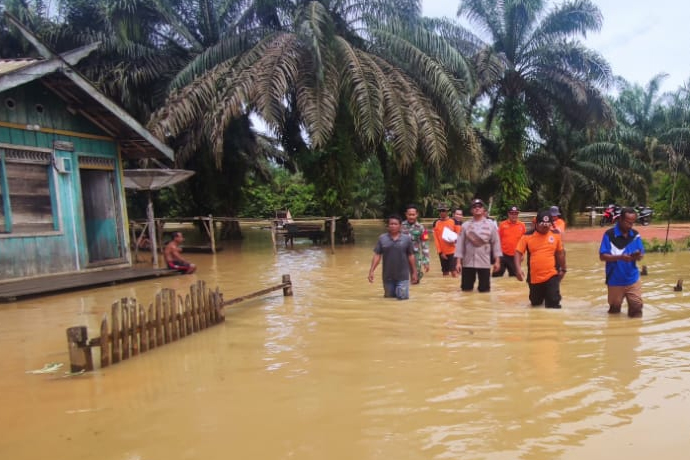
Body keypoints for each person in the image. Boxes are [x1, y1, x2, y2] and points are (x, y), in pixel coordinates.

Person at [514, 210, 567, 308]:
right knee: (536, 304)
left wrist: (563, 269)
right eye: (543, 225)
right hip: (534, 278)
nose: (545, 228)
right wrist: (518, 269)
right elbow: (518, 252)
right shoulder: (527, 236)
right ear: (536, 224)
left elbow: (560, 253)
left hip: (552, 275)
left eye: (548, 225)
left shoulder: (555, 235)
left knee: (553, 303)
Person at [599, 207, 645, 317]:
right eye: (627, 222)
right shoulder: (609, 235)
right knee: (614, 310)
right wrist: (620, 257)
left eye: (632, 223)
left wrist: (638, 256)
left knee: (637, 307)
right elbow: (602, 256)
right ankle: (614, 332)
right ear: (620, 219)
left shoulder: (635, 235)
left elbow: (641, 253)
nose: (630, 226)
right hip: (615, 280)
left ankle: (634, 332)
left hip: (632, 278)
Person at [454, 198, 502, 292]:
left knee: (484, 291)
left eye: (479, 206)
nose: (477, 208)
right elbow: (460, 245)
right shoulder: (465, 226)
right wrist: (458, 262)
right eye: (474, 207)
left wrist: (497, 261)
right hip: (468, 262)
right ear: (471, 210)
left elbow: (496, 243)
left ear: (483, 209)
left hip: (484, 262)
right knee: (466, 290)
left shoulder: (491, 225)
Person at [368, 215, 418, 299]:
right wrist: (371, 270)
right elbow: (377, 255)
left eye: (395, 224)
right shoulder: (382, 238)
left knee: (402, 300)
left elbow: (411, 256)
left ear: (400, 226)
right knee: (389, 299)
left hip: (403, 277)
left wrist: (414, 272)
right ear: (388, 225)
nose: (393, 226)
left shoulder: (406, 239)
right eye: (391, 224)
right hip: (388, 276)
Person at [494, 205, 526, 277]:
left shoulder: (522, 226)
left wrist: (523, 254)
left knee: (515, 277)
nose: (514, 215)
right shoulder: (502, 225)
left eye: (516, 213)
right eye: (512, 213)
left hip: (515, 256)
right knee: (496, 275)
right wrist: (497, 257)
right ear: (508, 214)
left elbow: (524, 242)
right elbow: (497, 240)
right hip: (503, 255)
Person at [401, 204, 430, 283]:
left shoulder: (421, 228)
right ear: (406, 214)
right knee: (402, 281)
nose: (411, 217)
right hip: (402, 257)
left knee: (415, 281)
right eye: (409, 214)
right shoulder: (400, 226)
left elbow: (425, 246)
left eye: (413, 215)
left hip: (415, 257)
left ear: (417, 214)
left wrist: (426, 262)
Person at [432, 204, 459, 277]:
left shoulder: (454, 221)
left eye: (443, 210)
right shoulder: (436, 223)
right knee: (445, 273)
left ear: (447, 212)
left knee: (454, 272)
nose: (442, 212)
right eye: (440, 211)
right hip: (442, 252)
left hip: (453, 251)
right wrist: (440, 252)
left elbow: (459, 236)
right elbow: (436, 239)